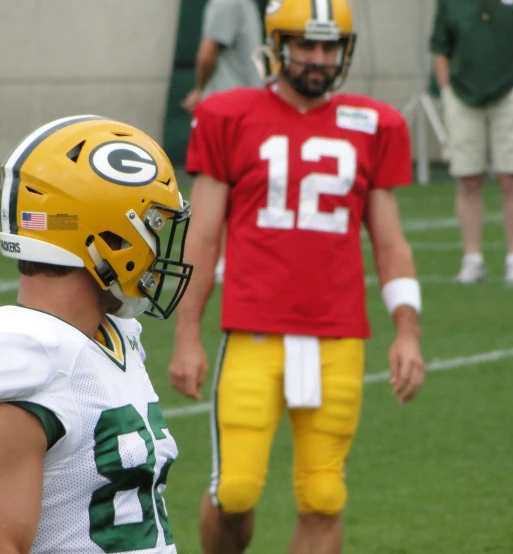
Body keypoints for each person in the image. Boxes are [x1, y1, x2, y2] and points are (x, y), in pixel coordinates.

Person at [168, 1, 425, 553]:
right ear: (277, 45)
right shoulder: (227, 115)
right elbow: (203, 237)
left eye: (329, 46)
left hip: (338, 337)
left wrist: (407, 330)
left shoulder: (376, 123)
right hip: (253, 332)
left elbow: (390, 243)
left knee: (324, 494)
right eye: (306, 44)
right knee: (234, 490)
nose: (318, 57)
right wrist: (187, 335)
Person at [0, 116, 193, 554]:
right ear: (112, 235)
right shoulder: (14, 358)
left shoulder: (114, 336)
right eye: (154, 226)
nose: (159, 249)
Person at [430, 0, 513, 284]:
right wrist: (447, 91)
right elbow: (440, 48)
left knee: (511, 178)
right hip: (462, 97)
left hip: (510, 94)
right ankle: (472, 259)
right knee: (468, 179)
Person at [181, 0, 264, 284]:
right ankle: (229, 257)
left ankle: (217, 259)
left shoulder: (225, 2)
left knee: (215, 185)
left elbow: (207, 54)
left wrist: (200, 89)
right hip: (249, 106)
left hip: (226, 110)